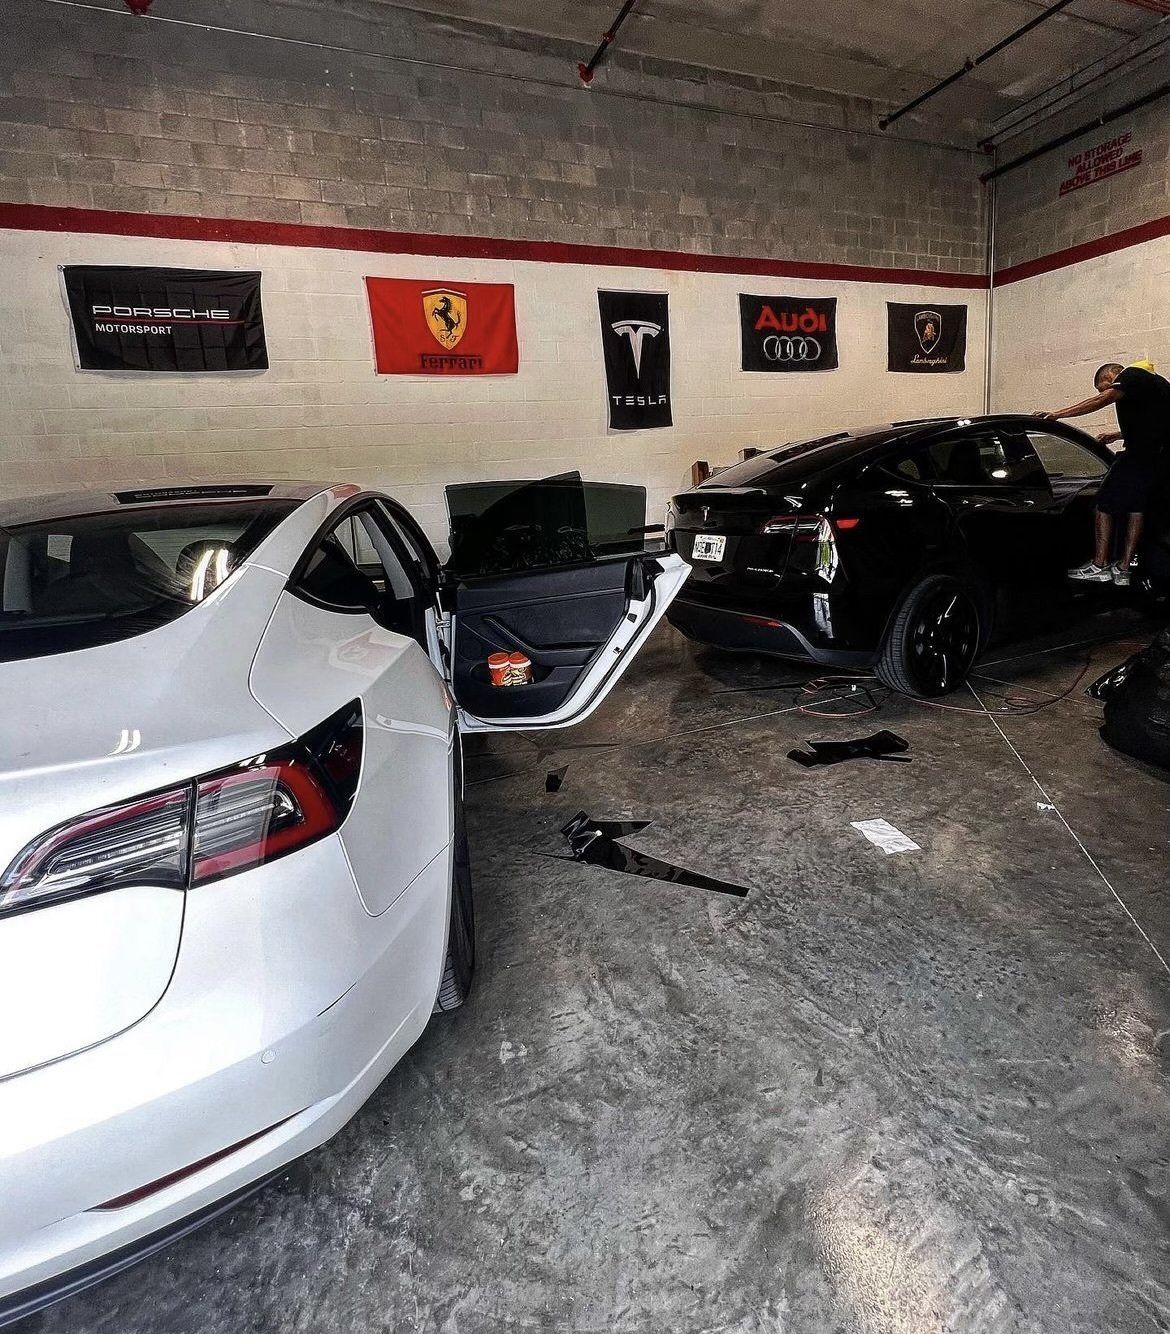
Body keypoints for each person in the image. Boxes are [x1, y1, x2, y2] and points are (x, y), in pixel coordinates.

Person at [1041, 360, 1170, 586]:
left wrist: (1058, 414)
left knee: (1102, 504)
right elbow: (1153, 424)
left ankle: (1099, 565)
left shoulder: (1131, 375)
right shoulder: (1159, 384)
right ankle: (1122, 569)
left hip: (1138, 457)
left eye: (1104, 385)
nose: (1107, 391)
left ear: (1111, 376)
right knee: (1136, 508)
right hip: (1158, 461)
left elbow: (1101, 400)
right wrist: (1117, 435)